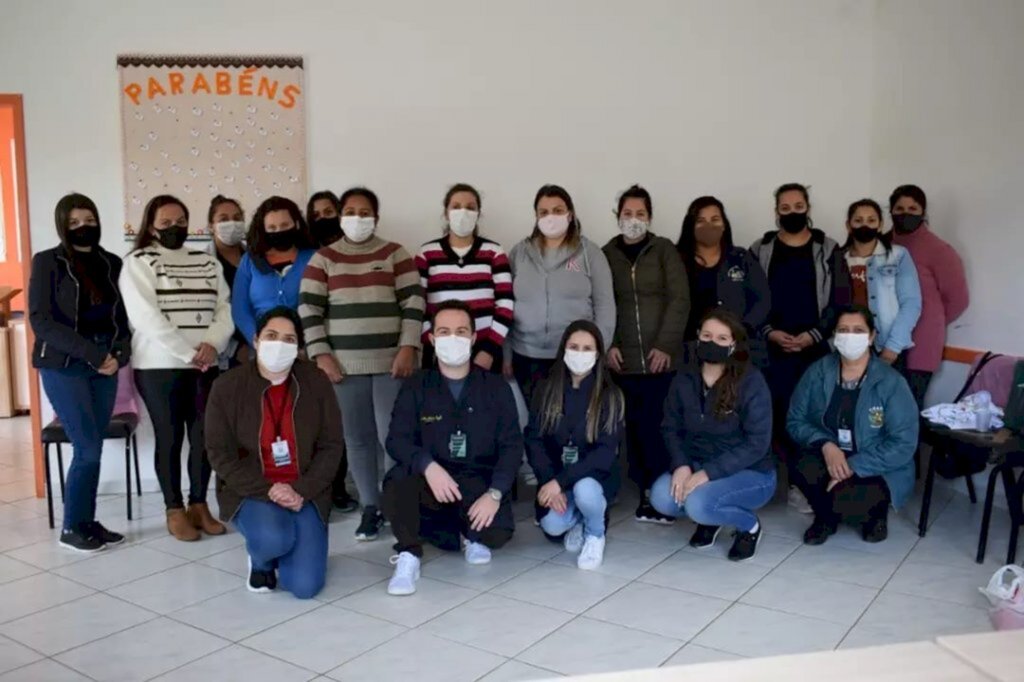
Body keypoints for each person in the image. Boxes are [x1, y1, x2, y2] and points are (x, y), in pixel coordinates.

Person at [299, 186, 424, 542]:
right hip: (342, 366)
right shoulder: (323, 258)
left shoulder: (394, 253)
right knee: (356, 439)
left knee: (392, 438)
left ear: (376, 217)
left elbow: (413, 302)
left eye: (365, 212)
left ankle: (394, 503)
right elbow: (309, 309)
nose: (358, 218)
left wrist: (408, 347)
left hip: (391, 363)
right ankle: (371, 506)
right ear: (340, 216)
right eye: (350, 212)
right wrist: (321, 354)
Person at [382, 300, 522, 595]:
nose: (453, 338)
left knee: (499, 532)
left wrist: (494, 494)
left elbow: (511, 447)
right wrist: (427, 466)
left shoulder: (495, 387)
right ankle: (409, 554)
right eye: (444, 332)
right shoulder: (417, 385)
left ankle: (463, 535)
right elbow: (396, 439)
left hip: (477, 483)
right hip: (434, 482)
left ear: (473, 338)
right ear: (432, 340)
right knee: (397, 481)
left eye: (461, 331)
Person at [206, 307, 343, 598]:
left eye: (289, 339)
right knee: (274, 539)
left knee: (305, 587)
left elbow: (331, 446)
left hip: (305, 489)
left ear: (298, 348)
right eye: (271, 335)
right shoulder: (227, 386)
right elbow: (219, 454)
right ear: (256, 340)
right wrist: (271, 490)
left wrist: (301, 490)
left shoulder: (316, 381)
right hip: (253, 489)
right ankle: (261, 560)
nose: (279, 344)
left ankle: (291, 539)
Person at [120, 195, 234, 541]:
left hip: (204, 364)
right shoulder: (138, 261)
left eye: (180, 221)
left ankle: (199, 505)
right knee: (169, 438)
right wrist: (188, 352)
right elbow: (144, 317)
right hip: (159, 366)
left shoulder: (207, 262)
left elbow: (224, 308)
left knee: (203, 438)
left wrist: (211, 344)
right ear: (151, 225)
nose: (174, 228)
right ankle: (174, 509)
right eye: (166, 222)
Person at [29, 193, 132, 553]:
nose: (82, 227)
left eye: (88, 219)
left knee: (94, 446)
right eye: (73, 222)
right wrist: (93, 354)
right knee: (86, 447)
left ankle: (87, 521)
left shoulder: (112, 263)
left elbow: (124, 316)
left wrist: (119, 354)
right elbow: (40, 321)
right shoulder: (47, 263)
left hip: (105, 364)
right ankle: (72, 527)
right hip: (65, 365)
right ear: (62, 226)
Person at [750, 183, 849, 513]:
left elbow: (840, 300)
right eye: (785, 207)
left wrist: (814, 335)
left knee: (812, 416)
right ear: (776, 211)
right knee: (776, 417)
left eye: (798, 206)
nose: (792, 212)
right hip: (771, 350)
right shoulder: (761, 249)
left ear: (808, 208)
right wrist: (769, 332)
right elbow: (750, 299)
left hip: (815, 351)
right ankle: (782, 480)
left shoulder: (828, 249)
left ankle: (805, 483)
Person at [649, 310, 775, 562]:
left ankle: (748, 526)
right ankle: (711, 519)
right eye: (707, 336)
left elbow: (757, 443)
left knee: (698, 504)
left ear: (733, 345)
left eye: (721, 338)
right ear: (697, 338)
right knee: (661, 498)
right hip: (697, 463)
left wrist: (708, 474)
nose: (712, 343)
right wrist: (681, 465)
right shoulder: (684, 378)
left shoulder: (750, 381)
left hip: (751, 472)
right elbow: (670, 427)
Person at [788, 305, 918, 545]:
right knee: (800, 466)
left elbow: (903, 443)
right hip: (830, 456)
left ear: (871, 337)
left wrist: (853, 465)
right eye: (843, 330)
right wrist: (826, 445)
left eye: (858, 330)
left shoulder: (891, 382)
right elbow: (795, 420)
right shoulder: (818, 372)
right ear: (835, 335)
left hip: (876, 465)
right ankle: (825, 519)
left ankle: (875, 517)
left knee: (849, 500)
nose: (850, 336)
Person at [602, 185, 689, 524]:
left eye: (640, 214)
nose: (633, 220)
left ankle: (664, 493)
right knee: (634, 429)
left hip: (660, 360)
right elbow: (601, 302)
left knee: (661, 427)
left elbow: (679, 298)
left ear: (649, 217)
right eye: (627, 214)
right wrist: (608, 344)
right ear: (618, 216)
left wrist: (665, 345)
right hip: (623, 362)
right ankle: (644, 493)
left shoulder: (664, 249)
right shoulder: (607, 253)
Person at [505, 184, 616, 406]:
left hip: (574, 356)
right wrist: (506, 355)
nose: (551, 217)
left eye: (557, 210)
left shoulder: (590, 253)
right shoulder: (520, 253)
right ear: (536, 217)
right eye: (543, 212)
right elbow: (506, 304)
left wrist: (596, 351)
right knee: (535, 422)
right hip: (526, 356)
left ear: (570, 214)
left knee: (569, 419)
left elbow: (605, 305)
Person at [526, 320, 624, 570]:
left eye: (587, 348)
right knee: (552, 526)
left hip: (594, 479)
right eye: (574, 346)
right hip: (557, 478)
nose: (580, 354)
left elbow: (604, 454)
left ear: (598, 354)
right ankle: (579, 518)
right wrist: (550, 481)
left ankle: (595, 533)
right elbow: (534, 439)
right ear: (564, 350)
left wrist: (561, 482)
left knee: (585, 492)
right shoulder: (546, 389)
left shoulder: (610, 395)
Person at [416, 183, 514, 372]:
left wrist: (490, 349)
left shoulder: (494, 252)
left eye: (470, 207)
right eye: (456, 206)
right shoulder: (427, 253)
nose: (463, 212)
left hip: (485, 350)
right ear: (446, 213)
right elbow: (417, 304)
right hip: (439, 350)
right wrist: (435, 344)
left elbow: (506, 304)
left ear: (478, 213)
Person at [889, 184, 969, 407]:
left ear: (923, 213)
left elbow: (958, 299)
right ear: (891, 211)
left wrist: (929, 322)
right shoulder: (883, 243)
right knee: (884, 408)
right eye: (900, 208)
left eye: (913, 209)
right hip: (886, 341)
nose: (906, 213)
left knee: (909, 407)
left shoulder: (938, 249)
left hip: (921, 343)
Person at [305, 190, 355, 512]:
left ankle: (338, 486)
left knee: (343, 427)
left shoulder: (355, 252)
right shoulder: (309, 255)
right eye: (317, 213)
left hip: (348, 356)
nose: (325, 218)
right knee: (315, 427)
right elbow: (309, 306)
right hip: (312, 350)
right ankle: (317, 488)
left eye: (329, 211)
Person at [677, 196, 771, 367]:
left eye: (715, 220)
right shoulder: (676, 261)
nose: (709, 226)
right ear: (691, 226)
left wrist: (742, 330)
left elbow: (762, 300)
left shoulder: (741, 257)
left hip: (738, 349)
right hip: (690, 351)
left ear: (724, 225)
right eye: (701, 221)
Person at [841, 199, 922, 364]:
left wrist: (893, 345)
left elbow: (911, 302)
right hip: (848, 345)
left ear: (880, 225)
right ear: (848, 225)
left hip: (887, 346)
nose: (865, 225)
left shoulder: (898, 256)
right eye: (858, 220)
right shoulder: (838, 259)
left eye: (871, 220)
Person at [232, 196, 316, 347]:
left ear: (296, 224)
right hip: (261, 347)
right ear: (263, 230)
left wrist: (307, 344)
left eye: (285, 225)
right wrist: (258, 341)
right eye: (272, 228)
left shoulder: (314, 258)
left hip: (305, 348)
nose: (279, 232)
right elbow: (240, 310)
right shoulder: (250, 261)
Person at [206, 195, 248, 368]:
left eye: (237, 218)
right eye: (223, 219)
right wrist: (235, 349)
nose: (232, 223)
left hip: (262, 348)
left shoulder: (256, 259)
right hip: (225, 355)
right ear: (211, 226)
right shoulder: (203, 263)